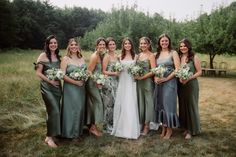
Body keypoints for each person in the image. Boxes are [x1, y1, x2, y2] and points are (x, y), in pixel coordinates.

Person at [35, 35, 62, 148]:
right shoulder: (43, 55)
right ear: (47, 44)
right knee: (54, 110)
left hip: (57, 88)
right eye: (51, 43)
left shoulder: (58, 57)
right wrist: (50, 81)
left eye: (55, 43)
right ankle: (49, 137)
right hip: (47, 87)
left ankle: (53, 133)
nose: (53, 44)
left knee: (54, 111)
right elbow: (38, 73)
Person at [111, 37, 140, 139]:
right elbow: (117, 71)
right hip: (123, 83)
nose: (127, 45)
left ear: (132, 45)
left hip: (131, 82)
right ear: (123, 45)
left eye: (129, 43)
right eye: (125, 44)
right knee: (122, 103)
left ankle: (131, 129)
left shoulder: (136, 56)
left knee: (131, 103)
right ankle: (121, 128)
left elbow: (138, 70)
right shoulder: (119, 57)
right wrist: (117, 71)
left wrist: (136, 73)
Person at [154, 34, 180, 139]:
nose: (164, 43)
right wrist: (156, 77)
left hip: (170, 82)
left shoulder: (173, 53)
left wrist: (166, 78)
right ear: (159, 42)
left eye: (166, 41)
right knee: (161, 105)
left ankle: (169, 130)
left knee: (169, 105)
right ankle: (163, 128)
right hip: (159, 83)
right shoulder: (157, 54)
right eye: (162, 41)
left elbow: (177, 69)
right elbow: (154, 68)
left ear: (169, 42)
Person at [60, 38, 86, 140]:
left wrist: (84, 78)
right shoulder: (65, 59)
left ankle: (78, 132)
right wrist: (75, 82)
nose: (74, 46)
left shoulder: (82, 58)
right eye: (72, 45)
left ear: (78, 46)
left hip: (81, 88)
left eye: (76, 45)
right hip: (70, 88)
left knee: (79, 108)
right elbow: (62, 75)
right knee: (71, 109)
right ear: (69, 47)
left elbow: (85, 72)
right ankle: (69, 133)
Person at [177, 38, 202, 139]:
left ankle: (192, 130)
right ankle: (186, 128)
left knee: (191, 106)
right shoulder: (179, 57)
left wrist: (188, 78)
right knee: (183, 106)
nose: (183, 48)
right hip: (181, 85)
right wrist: (180, 78)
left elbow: (199, 72)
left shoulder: (194, 57)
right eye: (181, 46)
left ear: (188, 46)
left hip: (191, 85)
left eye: (184, 46)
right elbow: (177, 70)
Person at [135, 37, 156, 135]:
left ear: (148, 45)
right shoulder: (138, 55)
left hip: (147, 81)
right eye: (141, 43)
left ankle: (147, 125)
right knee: (140, 102)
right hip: (139, 83)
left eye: (145, 43)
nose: (143, 45)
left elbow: (153, 71)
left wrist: (142, 77)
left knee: (148, 102)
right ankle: (141, 123)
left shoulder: (151, 56)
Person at [86, 37, 106, 137]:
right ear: (96, 46)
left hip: (97, 83)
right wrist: (97, 81)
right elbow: (88, 72)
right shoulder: (94, 56)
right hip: (92, 83)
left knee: (96, 104)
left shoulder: (101, 55)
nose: (102, 46)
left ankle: (93, 126)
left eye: (103, 45)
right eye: (100, 45)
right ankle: (93, 128)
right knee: (98, 103)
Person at [101, 37, 119, 133]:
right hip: (109, 82)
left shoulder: (117, 56)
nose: (112, 46)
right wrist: (115, 73)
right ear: (107, 46)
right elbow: (103, 71)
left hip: (116, 82)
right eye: (110, 44)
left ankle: (113, 122)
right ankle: (106, 125)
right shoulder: (106, 56)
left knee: (115, 103)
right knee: (109, 104)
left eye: (113, 44)